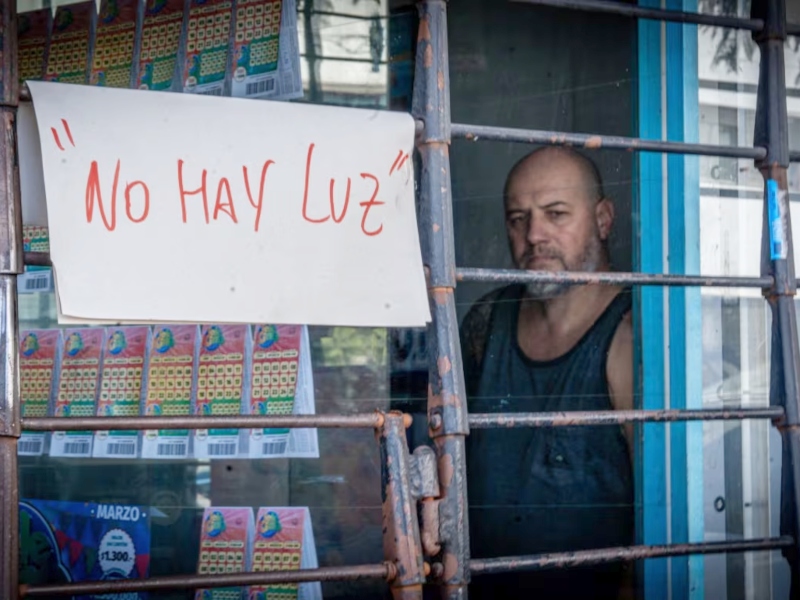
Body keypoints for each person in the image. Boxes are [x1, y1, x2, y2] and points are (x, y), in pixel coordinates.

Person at [460, 146, 635, 598]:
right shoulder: (486, 322)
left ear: (602, 218)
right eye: (518, 219)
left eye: (556, 214)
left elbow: (659, 516)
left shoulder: (629, 335)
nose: (534, 234)